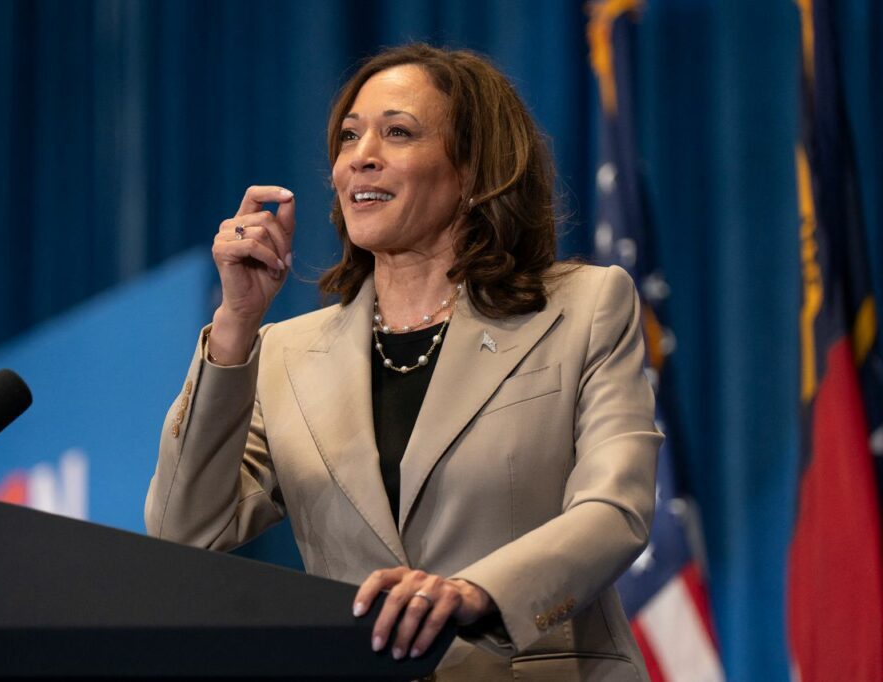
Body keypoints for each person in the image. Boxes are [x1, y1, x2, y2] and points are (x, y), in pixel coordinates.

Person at [145, 43, 661, 681]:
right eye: (350, 137)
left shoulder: (583, 307)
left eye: (398, 133)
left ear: (474, 169)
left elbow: (616, 509)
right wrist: (235, 327)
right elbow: (184, 531)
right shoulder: (284, 355)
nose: (360, 156)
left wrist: (477, 594)